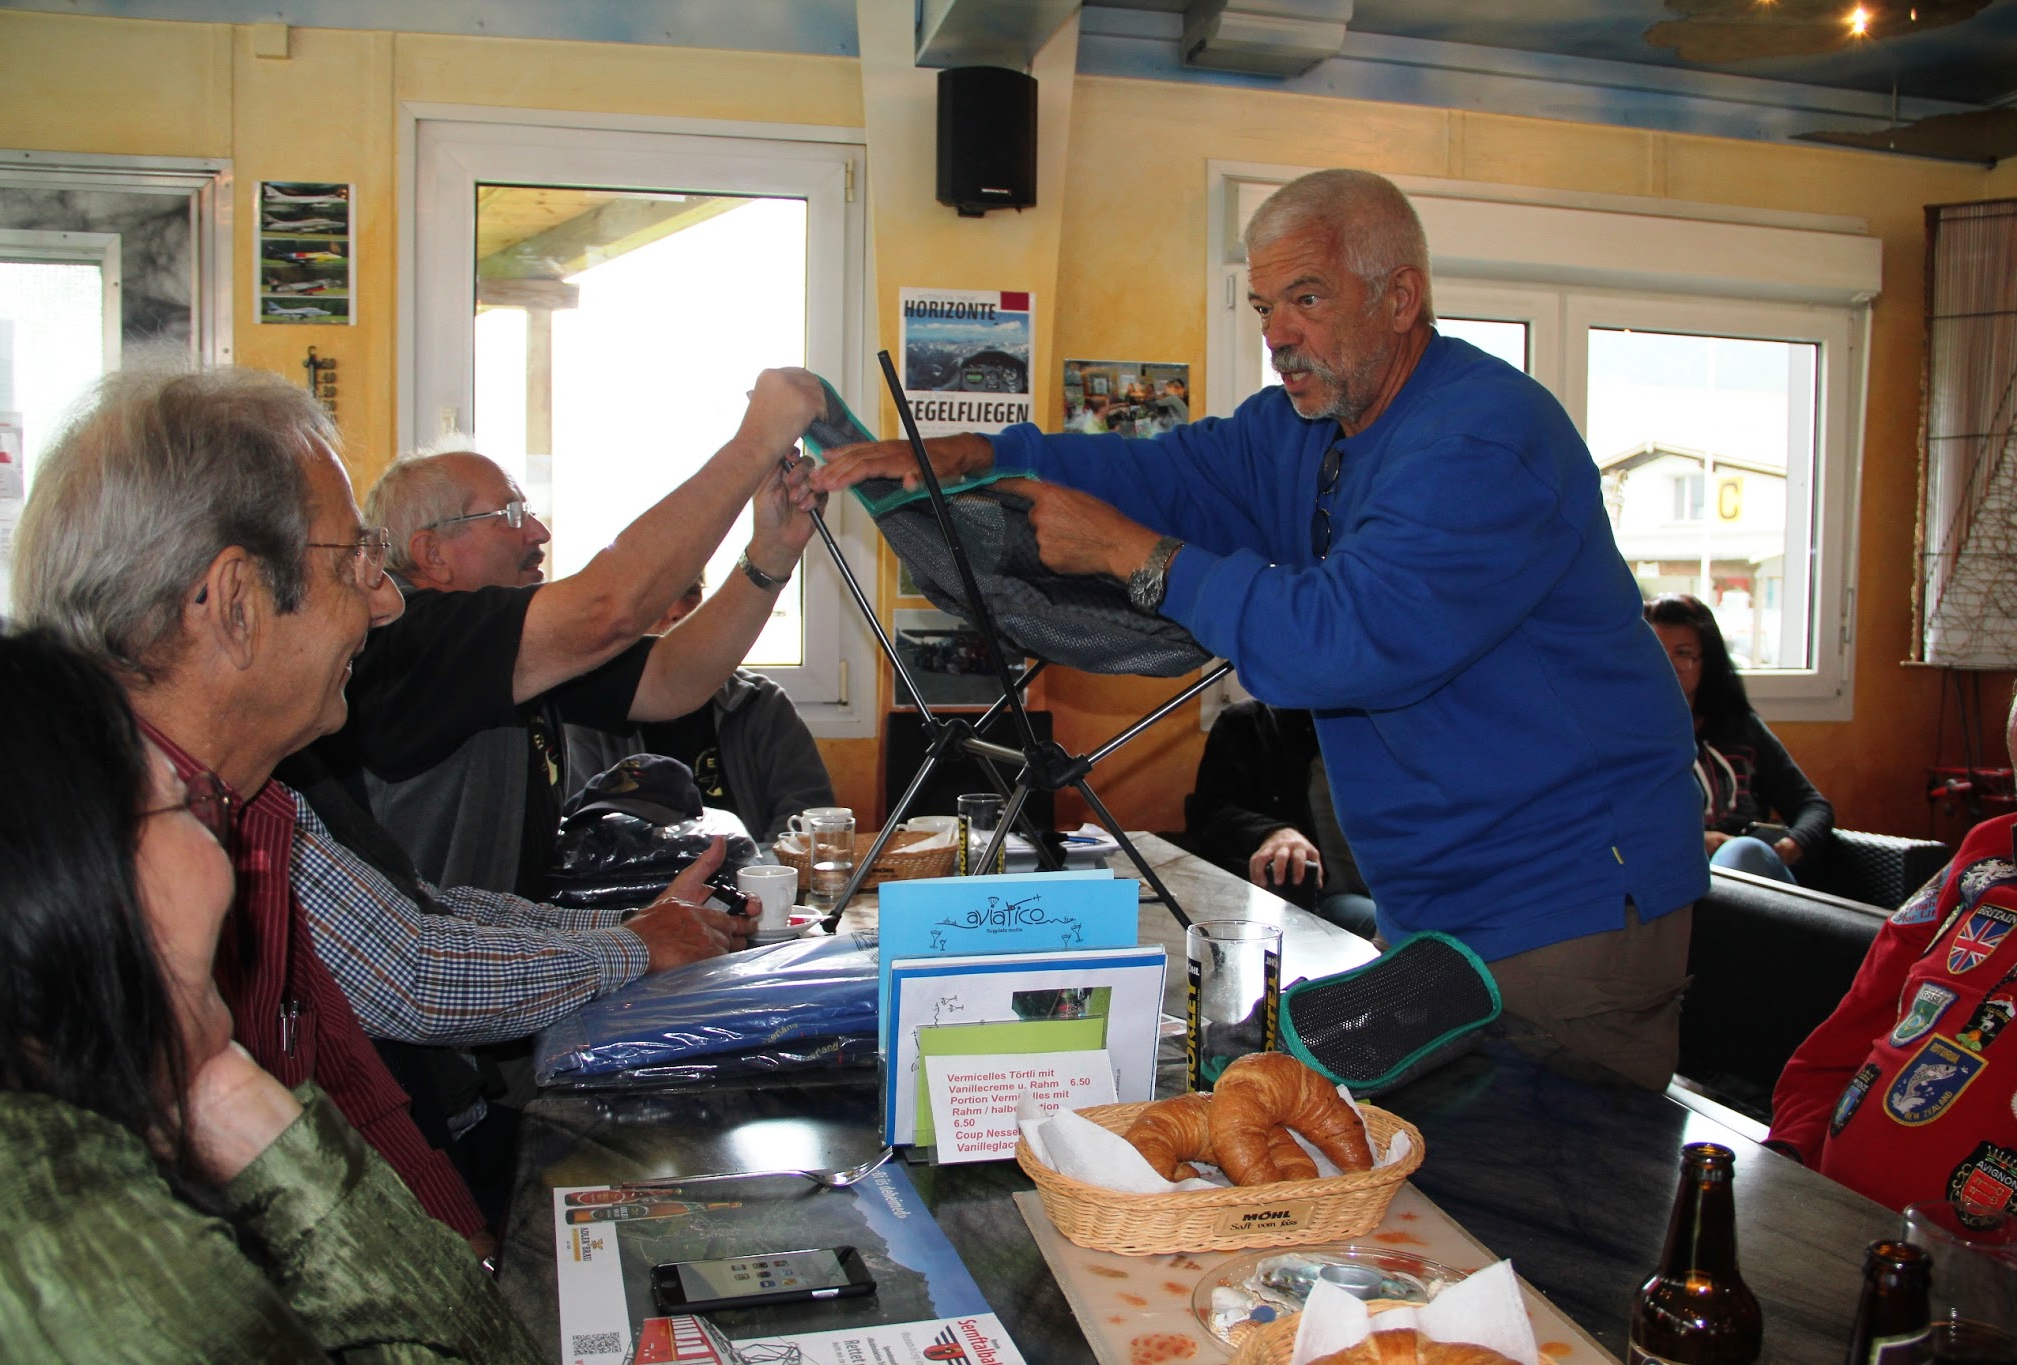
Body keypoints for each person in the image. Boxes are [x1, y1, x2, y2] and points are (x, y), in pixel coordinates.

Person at [818, 168, 1707, 1090]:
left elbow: (1341, 641)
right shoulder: (1306, 429)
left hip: (1568, 911)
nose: (1277, 333)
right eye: (1263, 306)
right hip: (1436, 915)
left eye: (1307, 299)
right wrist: (990, 455)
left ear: (1400, 298)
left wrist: (1138, 556)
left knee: (1545, 1171)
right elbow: (1165, 474)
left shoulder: (1483, 439)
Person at [12, 366, 754, 1248]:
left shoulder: (255, 799)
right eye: (355, 563)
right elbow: (412, 972)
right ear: (235, 602)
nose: (386, 598)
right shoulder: (99, 855)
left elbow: (395, 963)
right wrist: (633, 945)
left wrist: (464, 1252)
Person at [0, 617, 542, 1362]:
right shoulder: (95, 1255)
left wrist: (227, 1093)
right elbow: (421, 972)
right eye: (184, 804)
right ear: (70, 884)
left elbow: (356, 1054)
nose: (222, 853)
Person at [331, 384, 823, 898]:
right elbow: (610, 609)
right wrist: (755, 442)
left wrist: (772, 553)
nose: (538, 533)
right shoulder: (410, 638)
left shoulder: (517, 653)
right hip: (441, 945)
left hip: (510, 930)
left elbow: (672, 678)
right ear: (432, 553)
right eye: (510, 516)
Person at [1767, 686, 2017, 1215]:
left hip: (1974, 1254)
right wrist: (1794, 1145)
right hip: (1831, 1202)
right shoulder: (1989, 850)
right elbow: (1863, 1010)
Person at [562, 570, 837, 842]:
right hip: (638, 872)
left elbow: (807, 818)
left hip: (755, 868)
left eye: (690, 592)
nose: (678, 611)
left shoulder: (760, 703)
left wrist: (757, 866)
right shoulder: (588, 718)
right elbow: (581, 838)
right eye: (658, 595)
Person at [1645, 592, 1833, 884]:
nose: (1667, 666)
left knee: (1744, 852)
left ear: (1708, 662)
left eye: (1683, 653)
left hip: (1756, 883)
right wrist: (1696, 841)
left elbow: (1813, 807)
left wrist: (1791, 845)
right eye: (1656, 652)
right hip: (1674, 877)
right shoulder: (1624, 738)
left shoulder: (1741, 728)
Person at [1185, 698, 1376, 938]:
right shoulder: (1249, 724)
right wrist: (1272, 832)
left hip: (1398, 887)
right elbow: (1209, 815)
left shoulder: (1389, 725)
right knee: (1407, 930)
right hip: (1328, 896)